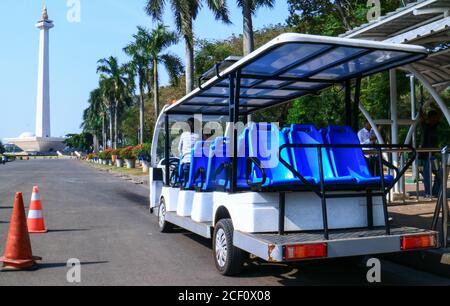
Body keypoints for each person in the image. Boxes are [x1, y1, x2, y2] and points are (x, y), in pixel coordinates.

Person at [419, 110, 441, 198]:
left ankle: (435, 191)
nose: (435, 119)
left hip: (432, 155)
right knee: (427, 174)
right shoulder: (425, 126)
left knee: (439, 173)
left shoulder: (434, 126)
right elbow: (421, 118)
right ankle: (428, 192)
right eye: (434, 118)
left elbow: (440, 115)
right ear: (430, 118)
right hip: (425, 155)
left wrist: (434, 106)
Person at [178, 118, 200, 185]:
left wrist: (182, 156)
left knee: (184, 179)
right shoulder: (198, 136)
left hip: (186, 161)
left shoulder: (183, 135)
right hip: (196, 162)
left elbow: (179, 148)